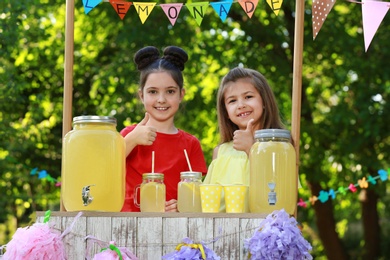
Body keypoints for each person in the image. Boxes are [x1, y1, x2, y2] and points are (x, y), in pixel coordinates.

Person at [120, 46, 207, 212]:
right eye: (153, 92)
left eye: (170, 91)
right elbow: (105, 167)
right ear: (141, 95)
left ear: (181, 95)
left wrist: (180, 207)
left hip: (173, 230)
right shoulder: (128, 135)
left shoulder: (191, 144)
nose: (161, 99)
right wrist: (131, 140)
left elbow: (196, 196)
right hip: (128, 226)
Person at [203, 67, 286, 212]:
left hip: (265, 231)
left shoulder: (281, 146)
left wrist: (251, 149)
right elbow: (206, 203)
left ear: (264, 101)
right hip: (224, 232)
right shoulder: (220, 152)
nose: (241, 105)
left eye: (248, 97)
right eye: (232, 100)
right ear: (226, 112)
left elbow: (278, 196)